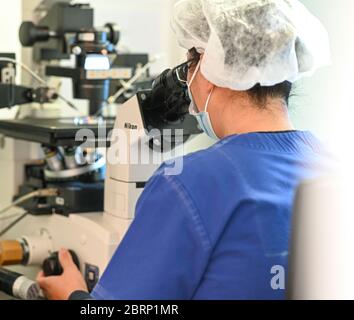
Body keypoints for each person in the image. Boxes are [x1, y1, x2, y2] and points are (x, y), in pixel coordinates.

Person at [37, 0, 333, 300]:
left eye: (189, 68)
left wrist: (72, 295)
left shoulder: (189, 183)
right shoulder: (334, 167)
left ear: (209, 66)